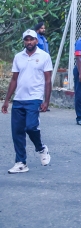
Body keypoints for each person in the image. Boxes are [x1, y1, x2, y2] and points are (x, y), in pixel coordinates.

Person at [2, 30, 52, 173]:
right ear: (24, 41)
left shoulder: (44, 56)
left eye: (31, 39)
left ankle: (41, 148)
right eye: (26, 40)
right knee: (17, 132)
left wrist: (46, 101)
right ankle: (21, 163)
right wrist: (7, 100)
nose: (29, 42)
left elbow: (48, 80)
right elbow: (14, 79)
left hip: (35, 98)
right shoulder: (19, 57)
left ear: (36, 41)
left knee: (31, 127)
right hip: (19, 98)